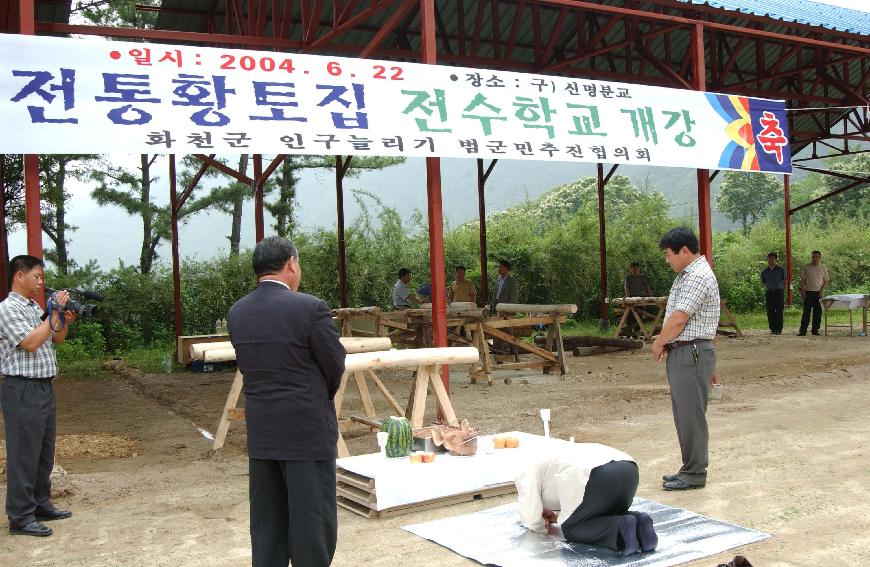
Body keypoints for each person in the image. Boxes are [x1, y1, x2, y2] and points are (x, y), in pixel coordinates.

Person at [228, 237, 346, 567]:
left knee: (268, 528)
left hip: (263, 433)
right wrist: (318, 395)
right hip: (306, 432)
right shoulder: (310, 308)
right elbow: (335, 365)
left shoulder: (238, 312)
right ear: (291, 263)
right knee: (312, 525)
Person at [1, 255, 77, 537]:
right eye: (37, 277)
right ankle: (20, 517)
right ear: (19, 276)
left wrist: (61, 319)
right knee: (24, 453)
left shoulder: (35, 307)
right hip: (22, 388)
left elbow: (56, 338)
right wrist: (53, 313)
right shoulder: (7, 310)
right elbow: (31, 343)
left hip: (44, 386)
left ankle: (41, 503)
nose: (41, 282)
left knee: (44, 451)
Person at [651, 227, 719, 491]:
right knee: (684, 413)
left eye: (668, 254)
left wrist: (658, 343)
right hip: (687, 352)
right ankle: (689, 467)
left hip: (691, 352)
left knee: (690, 414)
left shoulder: (697, 276)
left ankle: (695, 472)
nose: (667, 260)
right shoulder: (687, 275)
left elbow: (679, 318)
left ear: (684, 251)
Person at [515, 442, 657, 557]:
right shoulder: (555, 455)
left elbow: (532, 518)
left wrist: (541, 522)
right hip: (628, 467)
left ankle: (619, 526)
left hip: (593, 474)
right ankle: (640, 521)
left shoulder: (525, 469)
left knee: (571, 529)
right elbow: (582, 504)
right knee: (605, 514)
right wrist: (556, 517)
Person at [798, 250, 829, 336]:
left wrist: (822, 290)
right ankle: (803, 330)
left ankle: (815, 330)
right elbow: (802, 280)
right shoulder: (807, 267)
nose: (815, 258)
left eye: (817, 257)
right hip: (808, 292)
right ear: (811, 257)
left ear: (820, 258)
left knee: (817, 312)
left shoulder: (823, 267)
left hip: (819, 292)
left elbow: (826, 280)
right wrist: (803, 291)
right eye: (813, 257)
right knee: (806, 312)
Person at [760, 252, 786, 335]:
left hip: (779, 292)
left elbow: (785, 280)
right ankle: (772, 328)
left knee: (779, 311)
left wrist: (783, 289)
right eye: (769, 259)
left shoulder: (781, 270)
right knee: (770, 311)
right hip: (769, 292)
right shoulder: (765, 271)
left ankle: (778, 330)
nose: (771, 260)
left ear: (776, 260)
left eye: (773, 259)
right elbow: (764, 281)